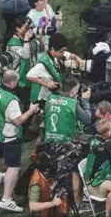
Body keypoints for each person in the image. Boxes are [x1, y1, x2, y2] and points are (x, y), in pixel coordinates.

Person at [43, 77, 92, 211]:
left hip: (49, 144)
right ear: (72, 92)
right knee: (78, 169)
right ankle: (78, 203)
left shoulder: (49, 99)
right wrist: (86, 101)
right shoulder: (73, 103)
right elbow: (87, 119)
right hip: (66, 146)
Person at [0, 70, 40, 212]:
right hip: (9, 137)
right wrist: (31, 110)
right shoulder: (11, 100)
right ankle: (6, 199)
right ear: (13, 82)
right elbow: (18, 121)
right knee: (14, 167)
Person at [27, 33, 83, 107]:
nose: (63, 53)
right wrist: (46, 83)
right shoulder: (43, 64)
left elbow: (71, 55)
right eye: (61, 51)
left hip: (52, 95)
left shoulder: (58, 55)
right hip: (41, 100)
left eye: (64, 50)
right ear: (53, 49)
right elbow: (29, 76)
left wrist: (78, 59)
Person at [6, 17, 45, 103]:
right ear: (17, 28)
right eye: (25, 27)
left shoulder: (28, 39)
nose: (27, 29)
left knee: (34, 102)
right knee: (25, 103)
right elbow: (25, 55)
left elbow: (42, 49)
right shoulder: (13, 43)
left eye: (27, 26)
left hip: (32, 76)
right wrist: (26, 40)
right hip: (21, 80)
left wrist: (40, 40)